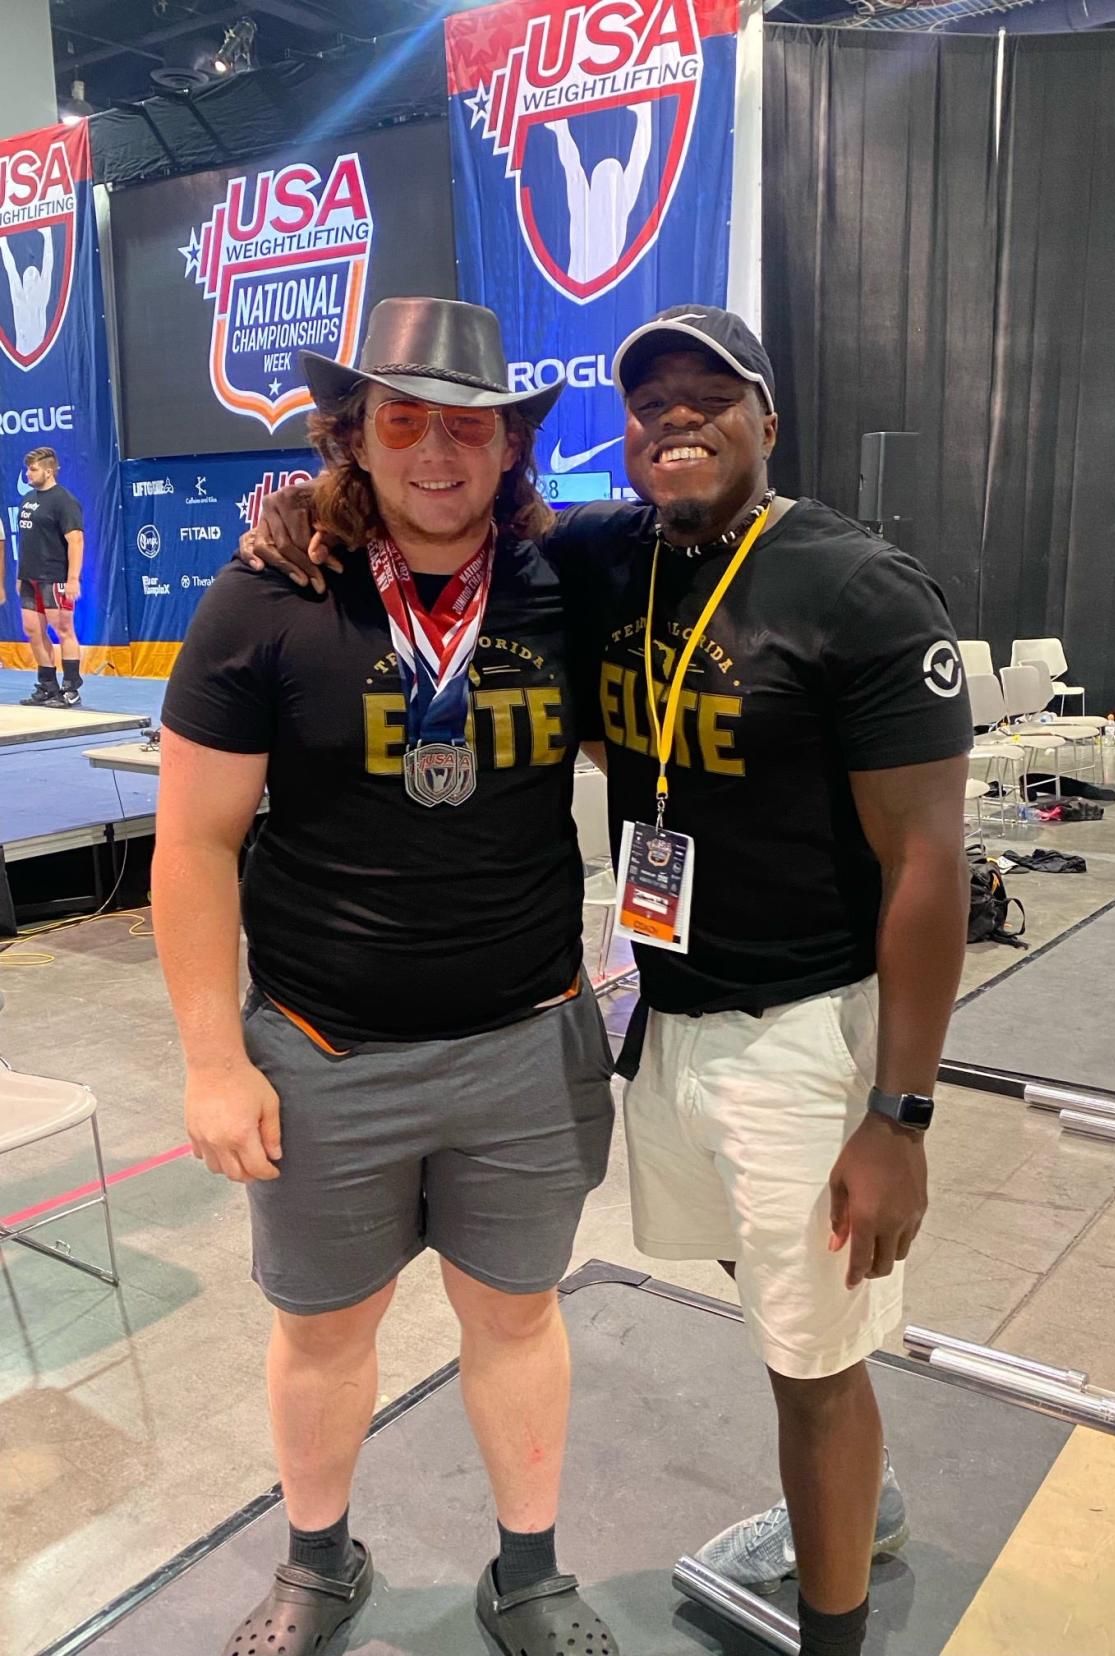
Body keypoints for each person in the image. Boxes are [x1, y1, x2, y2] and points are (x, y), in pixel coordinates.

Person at [242, 304, 973, 1656]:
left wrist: (901, 1110)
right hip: (665, 1014)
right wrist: (309, 513)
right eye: (648, 406)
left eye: (711, 396)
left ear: (769, 418)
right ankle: (858, 1513)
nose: (675, 422)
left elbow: (928, 865)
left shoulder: (857, 588)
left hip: (808, 1027)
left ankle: (833, 1632)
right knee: (781, 1306)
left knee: (809, 1359)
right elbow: (431, 531)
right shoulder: (600, 560)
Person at [152, 297, 620, 1656]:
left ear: (507, 447)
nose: (433, 451)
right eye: (401, 420)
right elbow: (193, 842)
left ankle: (526, 1571)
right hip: (321, 1053)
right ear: (351, 435)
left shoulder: (562, 585)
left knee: (517, 1318)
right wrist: (210, 1057)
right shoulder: (267, 594)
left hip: (527, 1043)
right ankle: (318, 1564)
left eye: (463, 424)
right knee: (320, 1334)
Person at [547, 105, 651, 286]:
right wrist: (644, 119)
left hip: (591, 281)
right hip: (585, 280)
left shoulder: (602, 206)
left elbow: (572, 166)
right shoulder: (587, 207)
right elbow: (638, 160)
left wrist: (561, 129)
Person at [15, 447, 85, 708]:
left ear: (48, 470)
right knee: (33, 630)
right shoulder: (27, 499)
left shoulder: (64, 501)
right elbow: (26, 541)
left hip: (55, 577)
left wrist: (73, 579)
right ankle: (47, 686)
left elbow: (76, 541)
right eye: (27, 469)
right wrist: (21, 575)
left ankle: (71, 688)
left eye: (32, 469)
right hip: (30, 577)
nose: (28, 474)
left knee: (64, 630)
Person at [1, 227, 55, 358]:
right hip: (23, 350)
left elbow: (48, 266)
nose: (32, 276)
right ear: (24, 285)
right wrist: (3, 245)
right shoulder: (19, 298)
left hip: (37, 352)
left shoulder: (41, 299)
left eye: (34, 275)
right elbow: (11, 271)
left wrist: (48, 237)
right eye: (30, 275)